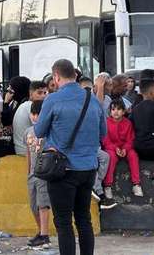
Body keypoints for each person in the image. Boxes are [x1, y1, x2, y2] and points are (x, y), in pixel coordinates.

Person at [34, 59, 105, 255]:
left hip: (62, 170)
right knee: (84, 219)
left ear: (56, 76)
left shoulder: (53, 100)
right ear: (75, 75)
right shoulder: (93, 100)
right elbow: (103, 133)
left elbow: (39, 130)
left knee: (63, 222)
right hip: (89, 168)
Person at [25, 100, 52, 248]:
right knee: (33, 205)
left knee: (43, 204)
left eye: (38, 114)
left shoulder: (48, 131)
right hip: (32, 174)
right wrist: (28, 171)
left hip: (44, 174)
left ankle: (45, 235)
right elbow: (28, 153)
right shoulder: (27, 132)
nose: (35, 117)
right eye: (33, 114)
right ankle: (40, 231)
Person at [102, 100, 142, 198]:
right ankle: (108, 186)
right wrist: (115, 149)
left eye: (119, 109)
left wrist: (125, 149)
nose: (116, 111)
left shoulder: (128, 123)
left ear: (124, 112)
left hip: (125, 148)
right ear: (110, 111)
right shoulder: (106, 123)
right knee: (110, 157)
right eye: (113, 109)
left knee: (133, 155)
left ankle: (136, 184)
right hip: (111, 148)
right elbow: (105, 140)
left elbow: (130, 139)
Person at [12, 81, 48, 155]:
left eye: (45, 93)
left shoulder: (24, 105)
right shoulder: (31, 107)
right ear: (31, 94)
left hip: (21, 148)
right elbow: (41, 130)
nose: (43, 96)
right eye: (39, 93)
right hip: (26, 151)